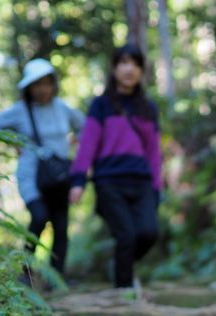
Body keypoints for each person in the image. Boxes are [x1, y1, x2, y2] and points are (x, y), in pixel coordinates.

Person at [69, 43, 162, 292]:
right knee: (126, 236)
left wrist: (156, 188)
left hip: (141, 180)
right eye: (123, 62)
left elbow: (154, 151)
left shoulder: (148, 108)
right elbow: (88, 144)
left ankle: (122, 266)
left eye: (134, 63)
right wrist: (78, 180)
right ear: (114, 68)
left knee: (148, 233)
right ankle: (124, 292)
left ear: (142, 70)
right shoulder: (101, 105)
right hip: (109, 180)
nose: (128, 69)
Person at [0, 59, 84, 276]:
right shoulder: (20, 111)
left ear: (53, 84)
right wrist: (13, 140)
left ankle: (57, 279)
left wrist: (74, 144)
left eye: (46, 83)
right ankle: (26, 273)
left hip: (59, 176)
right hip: (31, 177)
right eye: (36, 84)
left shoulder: (62, 108)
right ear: (28, 88)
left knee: (61, 227)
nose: (42, 89)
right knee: (40, 217)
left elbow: (85, 128)